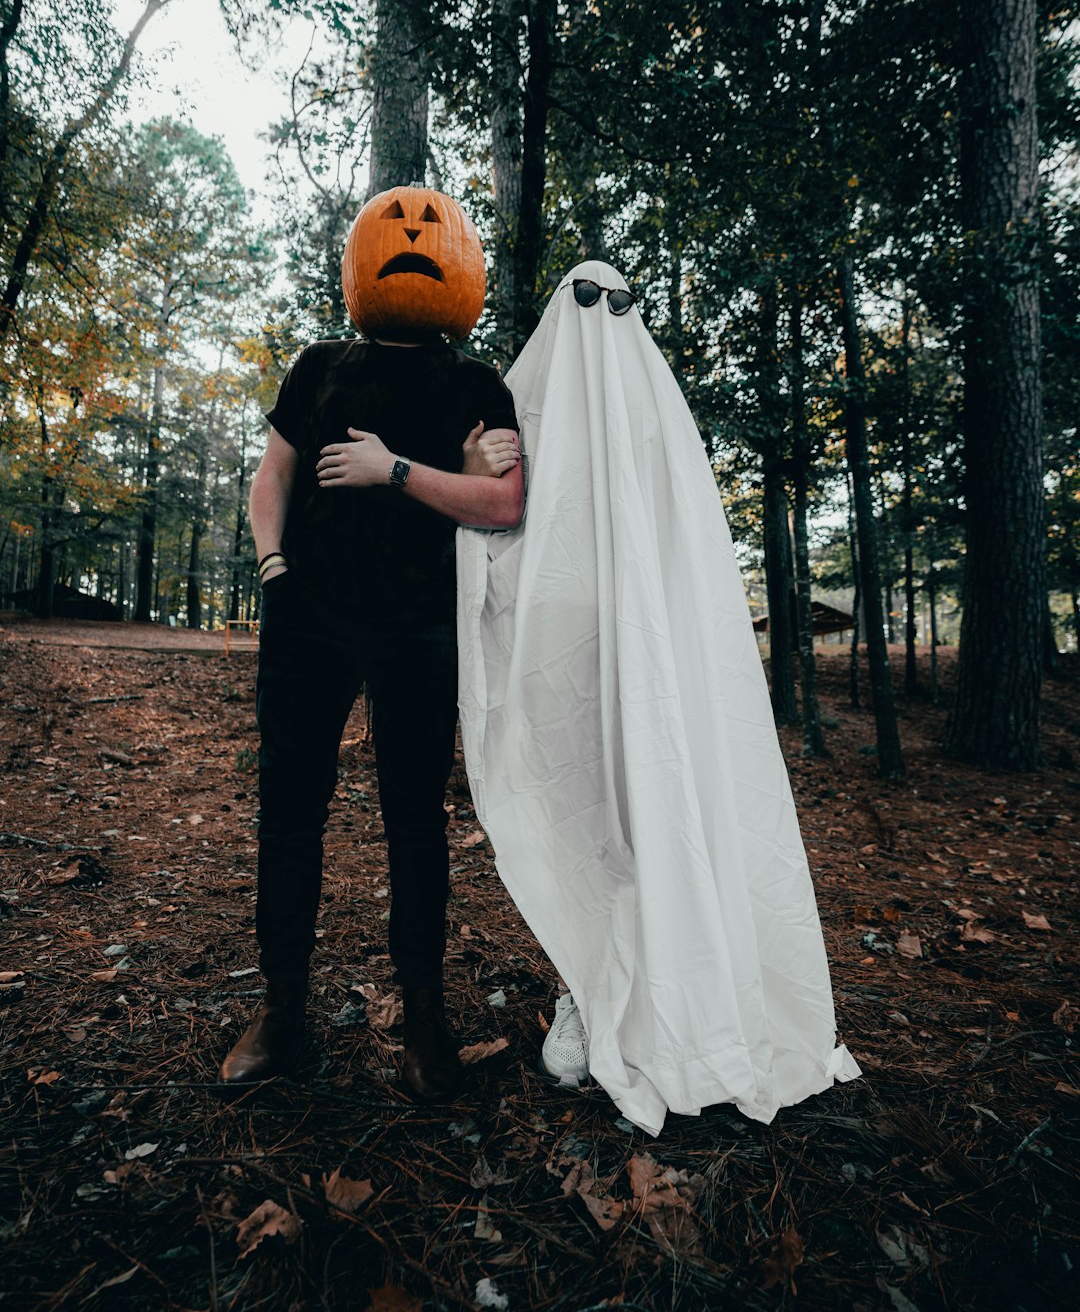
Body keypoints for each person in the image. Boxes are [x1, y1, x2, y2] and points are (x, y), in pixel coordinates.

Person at [457, 261, 861, 1136]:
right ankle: (591, 986)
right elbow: (495, 531)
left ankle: (690, 992)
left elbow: (687, 575)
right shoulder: (526, 412)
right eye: (584, 302)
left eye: (618, 303)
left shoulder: (656, 426)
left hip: (647, 677)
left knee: (658, 822)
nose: (602, 322)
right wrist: (470, 468)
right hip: (566, 680)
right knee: (585, 832)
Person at [219, 187, 524, 1102]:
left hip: (419, 626)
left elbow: (506, 505)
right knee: (289, 811)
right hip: (307, 618)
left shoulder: (477, 385)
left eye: (436, 231)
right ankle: (282, 1010)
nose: (415, 239)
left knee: (414, 823)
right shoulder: (318, 367)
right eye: (396, 227)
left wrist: (395, 469)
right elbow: (271, 475)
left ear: (465, 264)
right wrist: (273, 566)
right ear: (359, 261)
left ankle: (424, 1021)